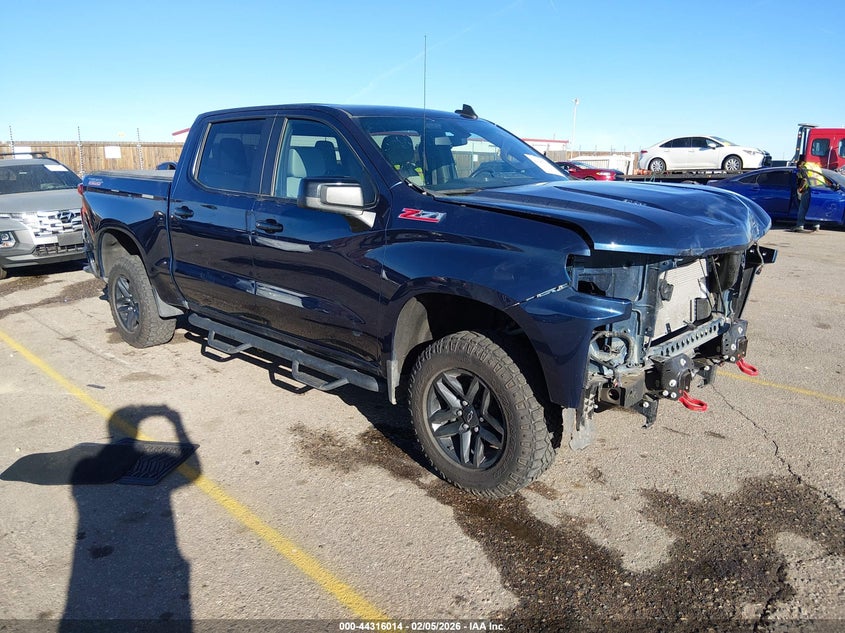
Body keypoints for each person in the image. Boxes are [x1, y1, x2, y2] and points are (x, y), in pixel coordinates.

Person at [791, 155, 822, 232]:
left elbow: (804, 179)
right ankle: (816, 225)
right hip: (819, 188)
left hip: (809, 189)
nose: (798, 169)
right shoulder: (815, 166)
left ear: (800, 164)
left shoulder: (804, 167)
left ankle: (800, 225)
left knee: (803, 208)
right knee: (814, 207)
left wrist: (800, 188)